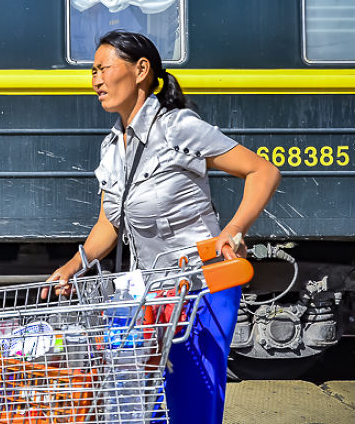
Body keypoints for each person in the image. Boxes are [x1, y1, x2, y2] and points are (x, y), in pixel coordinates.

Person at [45, 30, 280, 424]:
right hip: (149, 294)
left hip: (199, 289)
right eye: (92, 71)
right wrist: (73, 265)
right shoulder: (110, 147)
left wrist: (233, 229)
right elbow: (109, 222)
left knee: (190, 403)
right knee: (142, 404)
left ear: (140, 70)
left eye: (103, 68)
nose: (95, 79)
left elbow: (262, 170)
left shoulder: (177, 128)